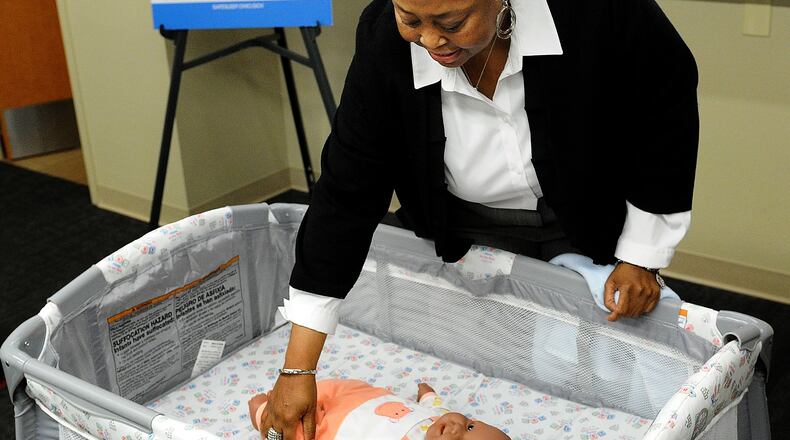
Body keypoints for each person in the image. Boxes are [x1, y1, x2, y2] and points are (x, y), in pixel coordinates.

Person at [259, 0, 699, 438]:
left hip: (586, 209)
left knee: (598, 358)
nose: (430, 41)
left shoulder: (599, 12)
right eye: (410, 20)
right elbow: (345, 195)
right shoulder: (382, 40)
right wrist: (299, 367)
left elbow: (664, 112)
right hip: (461, 222)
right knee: (493, 349)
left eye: (451, 23)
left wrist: (642, 253)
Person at [249, 380, 510, 439]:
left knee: (291, 429)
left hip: (331, 430)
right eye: (471, 426)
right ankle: (290, 393)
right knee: (321, 388)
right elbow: (439, 407)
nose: (456, 428)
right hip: (361, 396)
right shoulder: (443, 419)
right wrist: (428, 395)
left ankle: (262, 411)